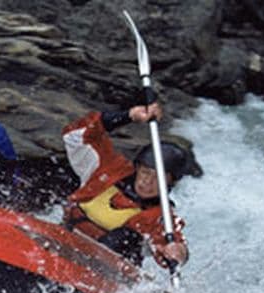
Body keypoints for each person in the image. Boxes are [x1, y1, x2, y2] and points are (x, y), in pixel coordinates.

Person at [59, 103, 201, 268]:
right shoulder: (107, 169)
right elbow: (75, 136)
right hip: (66, 242)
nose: (147, 181)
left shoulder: (160, 216)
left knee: (125, 237)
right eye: (146, 172)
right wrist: (128, 115)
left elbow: (174, 242)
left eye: (158, 178)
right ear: (137, 168)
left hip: (107, 272)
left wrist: (178, 251)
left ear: (170, 182)